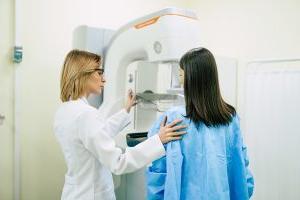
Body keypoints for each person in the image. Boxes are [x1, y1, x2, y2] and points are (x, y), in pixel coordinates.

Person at [53, 49, 187, 200]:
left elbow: (95, 136)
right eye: (99, 73)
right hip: (92, 194)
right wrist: (158, 140)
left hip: (75, 192)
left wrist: (126, 110)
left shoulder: (65, 110)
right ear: (83, 74)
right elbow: (118, 163)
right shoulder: (86, 114)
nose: (104, 79)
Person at [146, 48, 254, 200]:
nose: (180, 80)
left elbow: (159, 169)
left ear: (191, 79)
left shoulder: (174, 118)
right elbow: (242, 169)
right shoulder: (230, 118)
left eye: (181, 75)